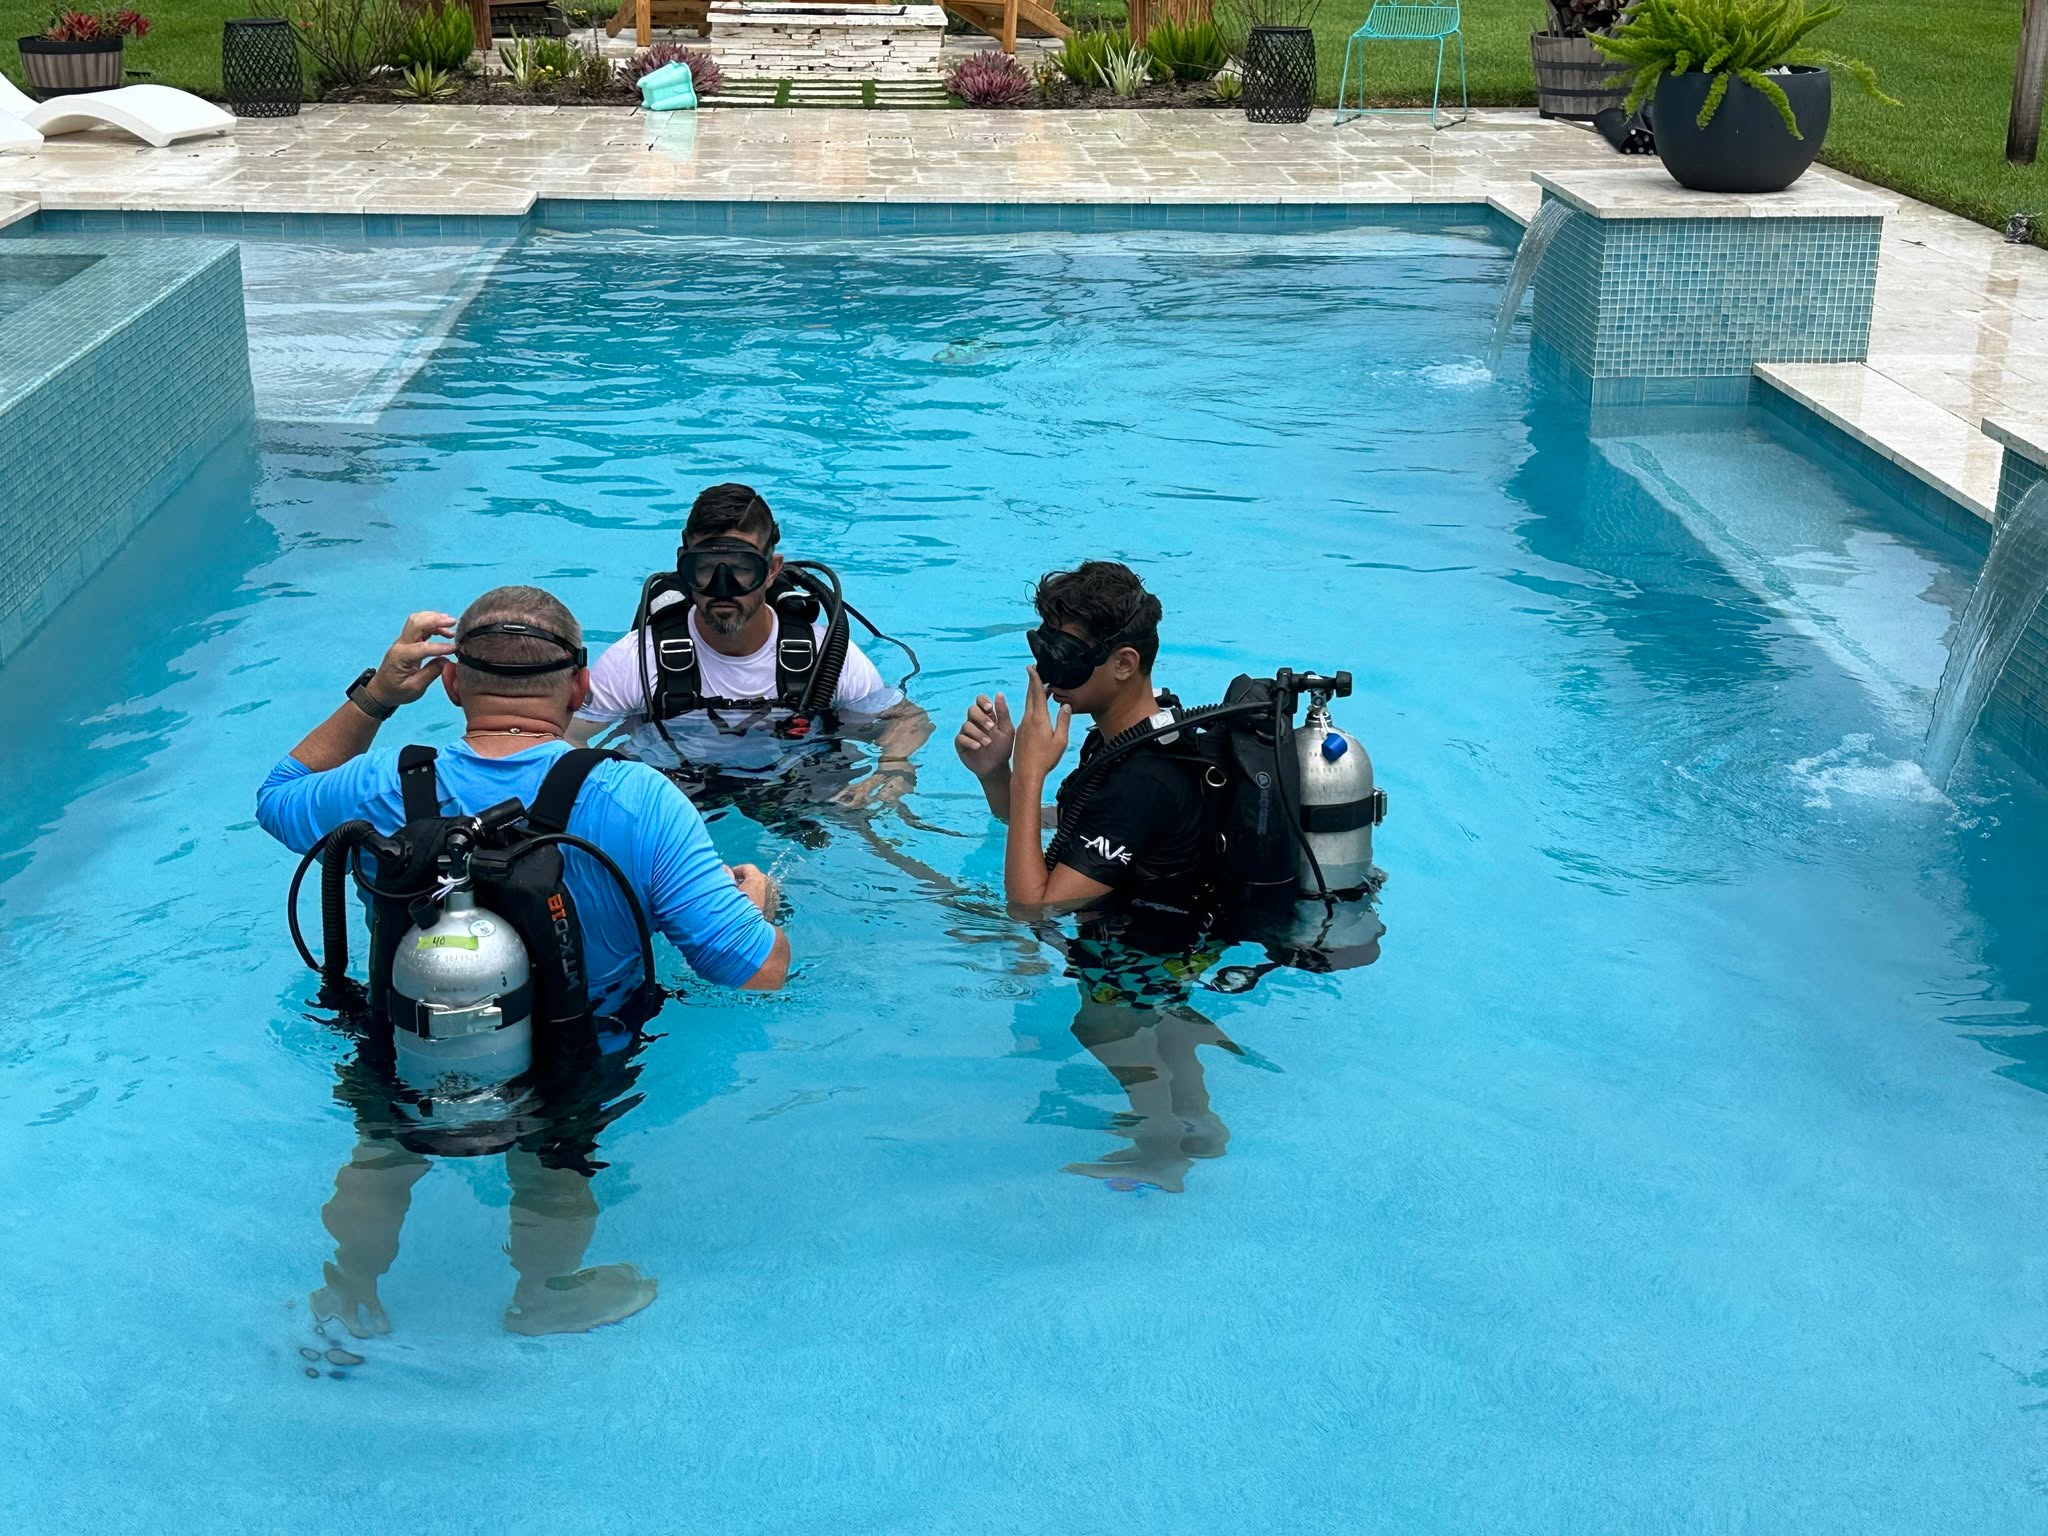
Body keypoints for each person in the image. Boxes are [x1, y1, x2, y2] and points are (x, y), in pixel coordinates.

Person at [257, 587, 789, 1335]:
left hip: (414, 1038)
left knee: (382, 1145)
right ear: (581, 687)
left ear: (450, 683)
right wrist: (758, 907)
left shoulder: (377, 786)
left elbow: (276, 795)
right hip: (579, 1055)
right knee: (556, 1155)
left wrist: (378, 695)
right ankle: (545, 1293)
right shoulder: (642, 799)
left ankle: (346, 1295)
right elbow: (757, 974)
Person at [571, 483, 932, 821]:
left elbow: (906, 720)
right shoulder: (638, 658)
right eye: (706, 568)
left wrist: (894, 768)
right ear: (684, 566)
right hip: (672, 795)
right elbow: (566, 736)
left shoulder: (824, 657)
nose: (723, 588)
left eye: (743, 569)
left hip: (795, 787)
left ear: (772, 570)